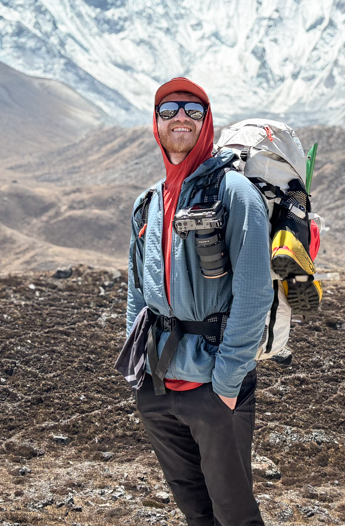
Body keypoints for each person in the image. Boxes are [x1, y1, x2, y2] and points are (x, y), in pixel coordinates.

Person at [125, 77, 273, 526]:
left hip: (213, 387)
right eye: (168, 110)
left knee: (234, 514)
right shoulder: (147, 202)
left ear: (208, 121)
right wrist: (138, 371)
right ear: (156, 123)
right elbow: (137, 291)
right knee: (195, 511)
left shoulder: (234, 194)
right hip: (157, 386)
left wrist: (227, 384)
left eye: (192, 109)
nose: (180, 119)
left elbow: (254, 294)